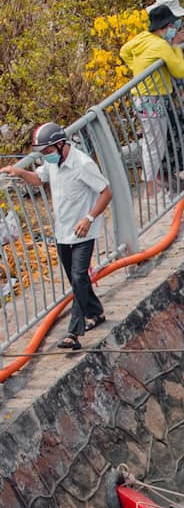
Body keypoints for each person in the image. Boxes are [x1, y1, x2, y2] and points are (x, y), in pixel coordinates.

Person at [2, 124, 111, 352]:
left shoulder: (82, 165)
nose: (46, 156)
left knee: (79, 276)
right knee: (75, 280)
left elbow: (106, 192)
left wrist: (88, 218)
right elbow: (39, 179)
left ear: (60, 144)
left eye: (48, 151)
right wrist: (19, 172)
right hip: (62, 232)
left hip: (83, 232)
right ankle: (95, 311)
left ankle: (73, 332)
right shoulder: (52, 163)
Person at [119, 0, 184, 191]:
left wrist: (137, 69)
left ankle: (152, 184)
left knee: (152, 141)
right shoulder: (162, 46)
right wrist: (176, 46)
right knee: (155, 144)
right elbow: (179, 71)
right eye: (171, 26)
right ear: (166, 27)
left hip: (141, 97)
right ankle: (151, 188)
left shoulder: (143, 37)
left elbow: (124, 51)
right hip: (154, 98)